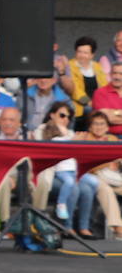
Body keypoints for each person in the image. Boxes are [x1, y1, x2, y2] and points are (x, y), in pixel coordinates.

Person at [32, 101, 88, 237]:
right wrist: (72, 143)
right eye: (62, 115)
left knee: (90, 187)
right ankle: (66, 226)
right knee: (74, 187)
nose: (65, 120)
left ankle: (84, 226)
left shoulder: (70, 132)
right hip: (51, 171)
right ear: (52, 115)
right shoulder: (42, 129)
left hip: (71, 168)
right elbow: (46, 152)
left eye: (68, 117)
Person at [77, 111, 122, 239]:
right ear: (90, 126)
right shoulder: (85, 139)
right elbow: (86, 163)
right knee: (105, 190)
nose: (99, 127)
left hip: (114, 177)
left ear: (107, 127)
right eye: (95, 124)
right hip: (93, 176)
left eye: (102, 124)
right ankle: (117, 226)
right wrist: (108, 162)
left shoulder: (113, 139)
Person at [0, 106, 26, 229]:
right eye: (4, 119)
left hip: (23, 174)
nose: (7, 123)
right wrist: (7, 175)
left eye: (12, 120)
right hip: (1, 174)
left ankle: (38, 218)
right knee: (4, 181)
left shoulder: (27, 136)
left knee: (41, 178)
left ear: (19, 123)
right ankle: (5, 221)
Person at [58, 36, 105, 128]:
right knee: (91, 111)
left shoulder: (97, 66)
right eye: (79, 52)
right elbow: (75, 90)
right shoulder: (70, 66)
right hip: (79, 104)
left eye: (86, 53)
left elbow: (104, 85)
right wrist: (88, 102)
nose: (82, 55)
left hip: (97, 103)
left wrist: (101, 101)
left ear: (92, 55)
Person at [89, 61, 122, 134]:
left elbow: (111, 116)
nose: (117, 77)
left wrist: (114, 112)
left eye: (121, 74)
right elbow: (105, 118)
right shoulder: (100, 93)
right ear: (110, 74)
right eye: (114, 73)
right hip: (110, 136)